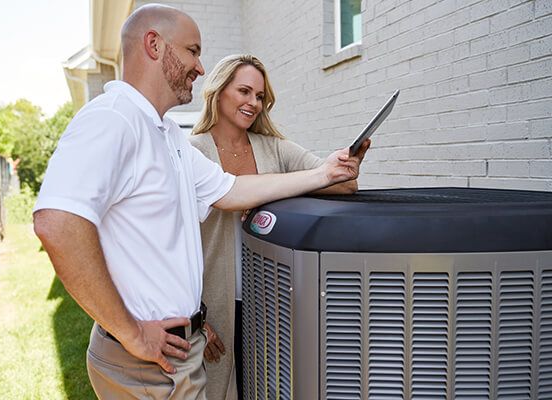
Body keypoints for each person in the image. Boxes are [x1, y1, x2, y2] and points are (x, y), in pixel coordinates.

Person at [33, 5, 366, 399]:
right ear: (154, 45)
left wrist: (324, 174)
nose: (200, 66)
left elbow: (231, 191)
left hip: (174, 355)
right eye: (192, 51)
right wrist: (131, 332)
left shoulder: (166, 135)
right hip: (146, 361)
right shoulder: (113, 120)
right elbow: (57, 223)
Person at [189, 54, 369, 400]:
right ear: (219, 91)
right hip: (214, 303)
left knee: (267, 386)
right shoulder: (192, 152)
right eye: (244, 91)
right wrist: (194, 317)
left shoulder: (273, 148)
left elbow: (341, 184)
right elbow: (174, 242)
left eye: (260, 97)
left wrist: (345, 167)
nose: (253, 103)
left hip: (269, 301)